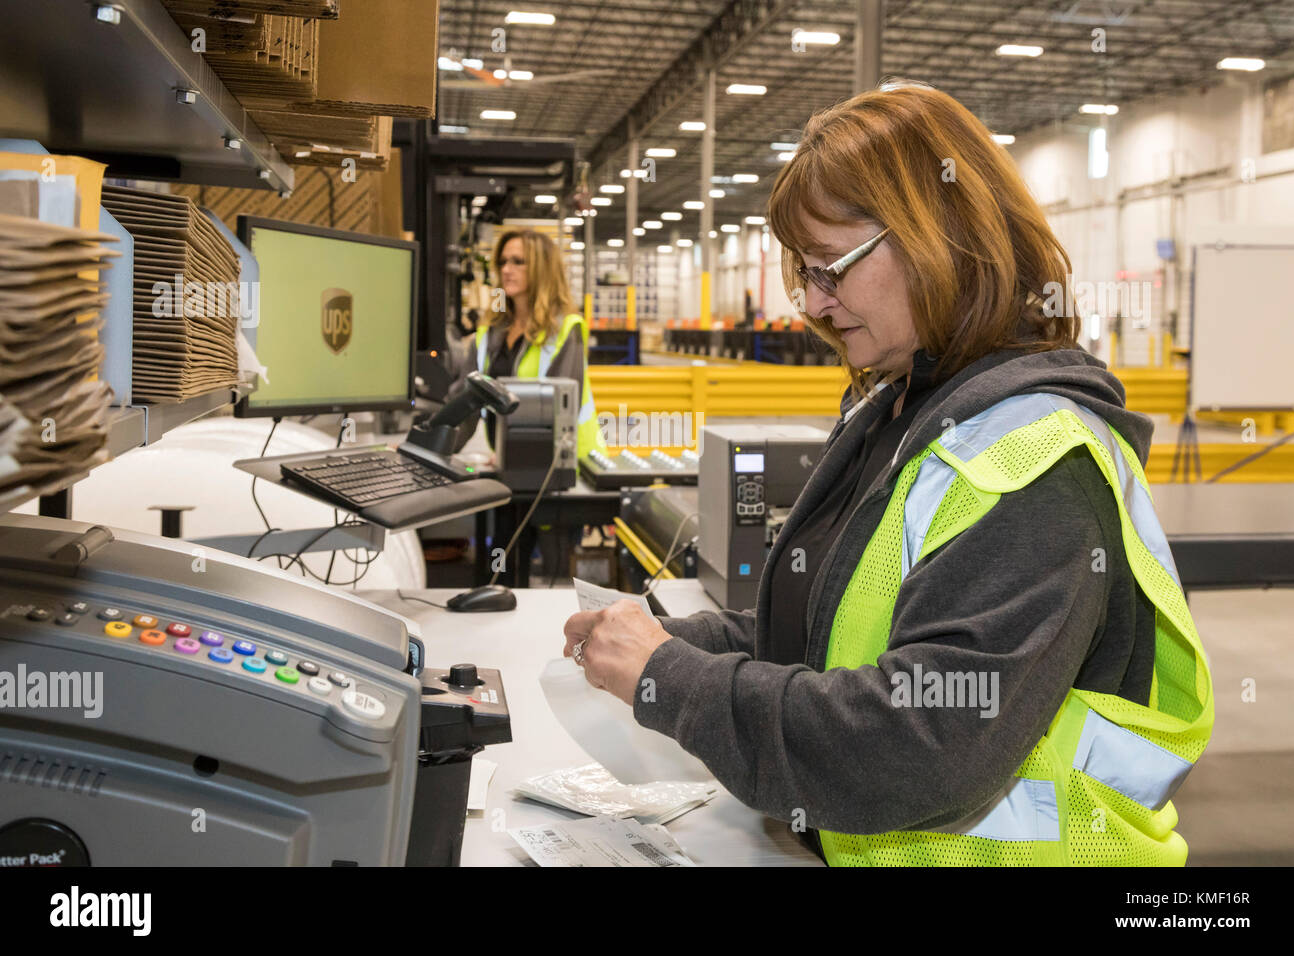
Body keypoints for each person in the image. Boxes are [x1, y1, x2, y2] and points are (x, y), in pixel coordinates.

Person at [561, 82, 1214, 866]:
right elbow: (837, 630)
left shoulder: (1040, 462)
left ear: (939, 235)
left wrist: (675, 680)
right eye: (802, 274)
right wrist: (675, 640)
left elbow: (918, 743)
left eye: (830, 269)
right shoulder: (905, 412)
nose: (811, 303)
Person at [443, 228, 606, 463]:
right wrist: (427, 445)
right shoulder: (490, 331)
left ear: (542, 270)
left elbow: (559, 412)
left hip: (569, 466)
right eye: (503, 262)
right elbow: (463, 405)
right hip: (515, 462)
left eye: (518, 262)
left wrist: (512, 453)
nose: (507, 270)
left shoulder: (566, 328)